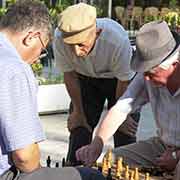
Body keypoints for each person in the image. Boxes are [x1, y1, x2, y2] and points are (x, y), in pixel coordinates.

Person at [0, 1, 105, 180]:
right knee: (92, 176)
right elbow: (25, 158)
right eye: (42, 50)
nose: (36, 58)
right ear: (31, 37)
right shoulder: (14, 68)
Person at [76, 20, 180, 180]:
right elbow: (119, 110)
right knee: (111, 161)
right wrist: (97, 144)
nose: (145, 78)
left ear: (174, 65)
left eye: (151, 73)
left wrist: (176, 155)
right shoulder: (147, 76)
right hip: (164, 144)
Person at [53, 2, 140, 165]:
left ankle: (125, 170)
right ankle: (75, 170)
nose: (76, 52)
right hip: (84, 79)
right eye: (71, 46)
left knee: (124, 131)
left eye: (81, 44)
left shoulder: (116, 41)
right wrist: (78, 111)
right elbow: (70, 75)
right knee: (79, 126)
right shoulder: (59, 37)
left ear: (97, 33)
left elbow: (124, 81)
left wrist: (123, 114)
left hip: (119, 81)